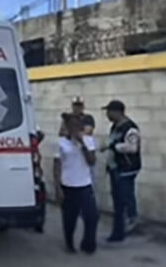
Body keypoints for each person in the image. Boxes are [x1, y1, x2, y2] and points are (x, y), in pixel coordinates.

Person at [54, 112, 98, 254]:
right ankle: (69, 244)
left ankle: (88, 244)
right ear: (67, 127)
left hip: (84, 185)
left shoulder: (88, 140)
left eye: (78, 125)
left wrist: (82, 144)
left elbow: (92, 161)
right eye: (72, 125)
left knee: (91, 216)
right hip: (68, 186)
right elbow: (57, 165)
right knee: (69, 219)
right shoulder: (61, 143)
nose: (75, 128)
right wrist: (58, 187)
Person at [101, 99, 141, 242]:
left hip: (126, 169)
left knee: (123, 200)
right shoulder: (115, 127)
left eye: (109, 111)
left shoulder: (130, 128)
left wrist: (114, 147)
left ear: (117, 112)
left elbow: (132, 147)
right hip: (115, 168)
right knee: (118, 202)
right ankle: (118, 232)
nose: (107, 114)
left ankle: (128, 223)